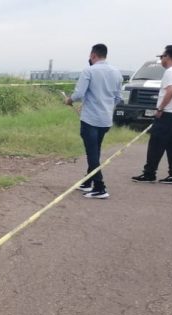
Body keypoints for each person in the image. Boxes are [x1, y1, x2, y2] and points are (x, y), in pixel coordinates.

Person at [65, 43, 123, 199]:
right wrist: (107, 107)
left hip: (90, 119)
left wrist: (68, 100)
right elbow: (119, 98)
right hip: (105, 120)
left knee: (92, 153)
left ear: (93, 55)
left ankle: (99, 187)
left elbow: (78, 93)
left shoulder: (89, 71)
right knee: (95, 150)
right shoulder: (117, 73)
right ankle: (87, 182)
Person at [132, 45, 172, 185]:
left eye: (162, 56)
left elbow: (171, 91)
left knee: (156, 143)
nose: (161, 59)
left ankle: (149, 173)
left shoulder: (171, 72)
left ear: (168, 56)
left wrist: (160, 108)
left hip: (168, 114)